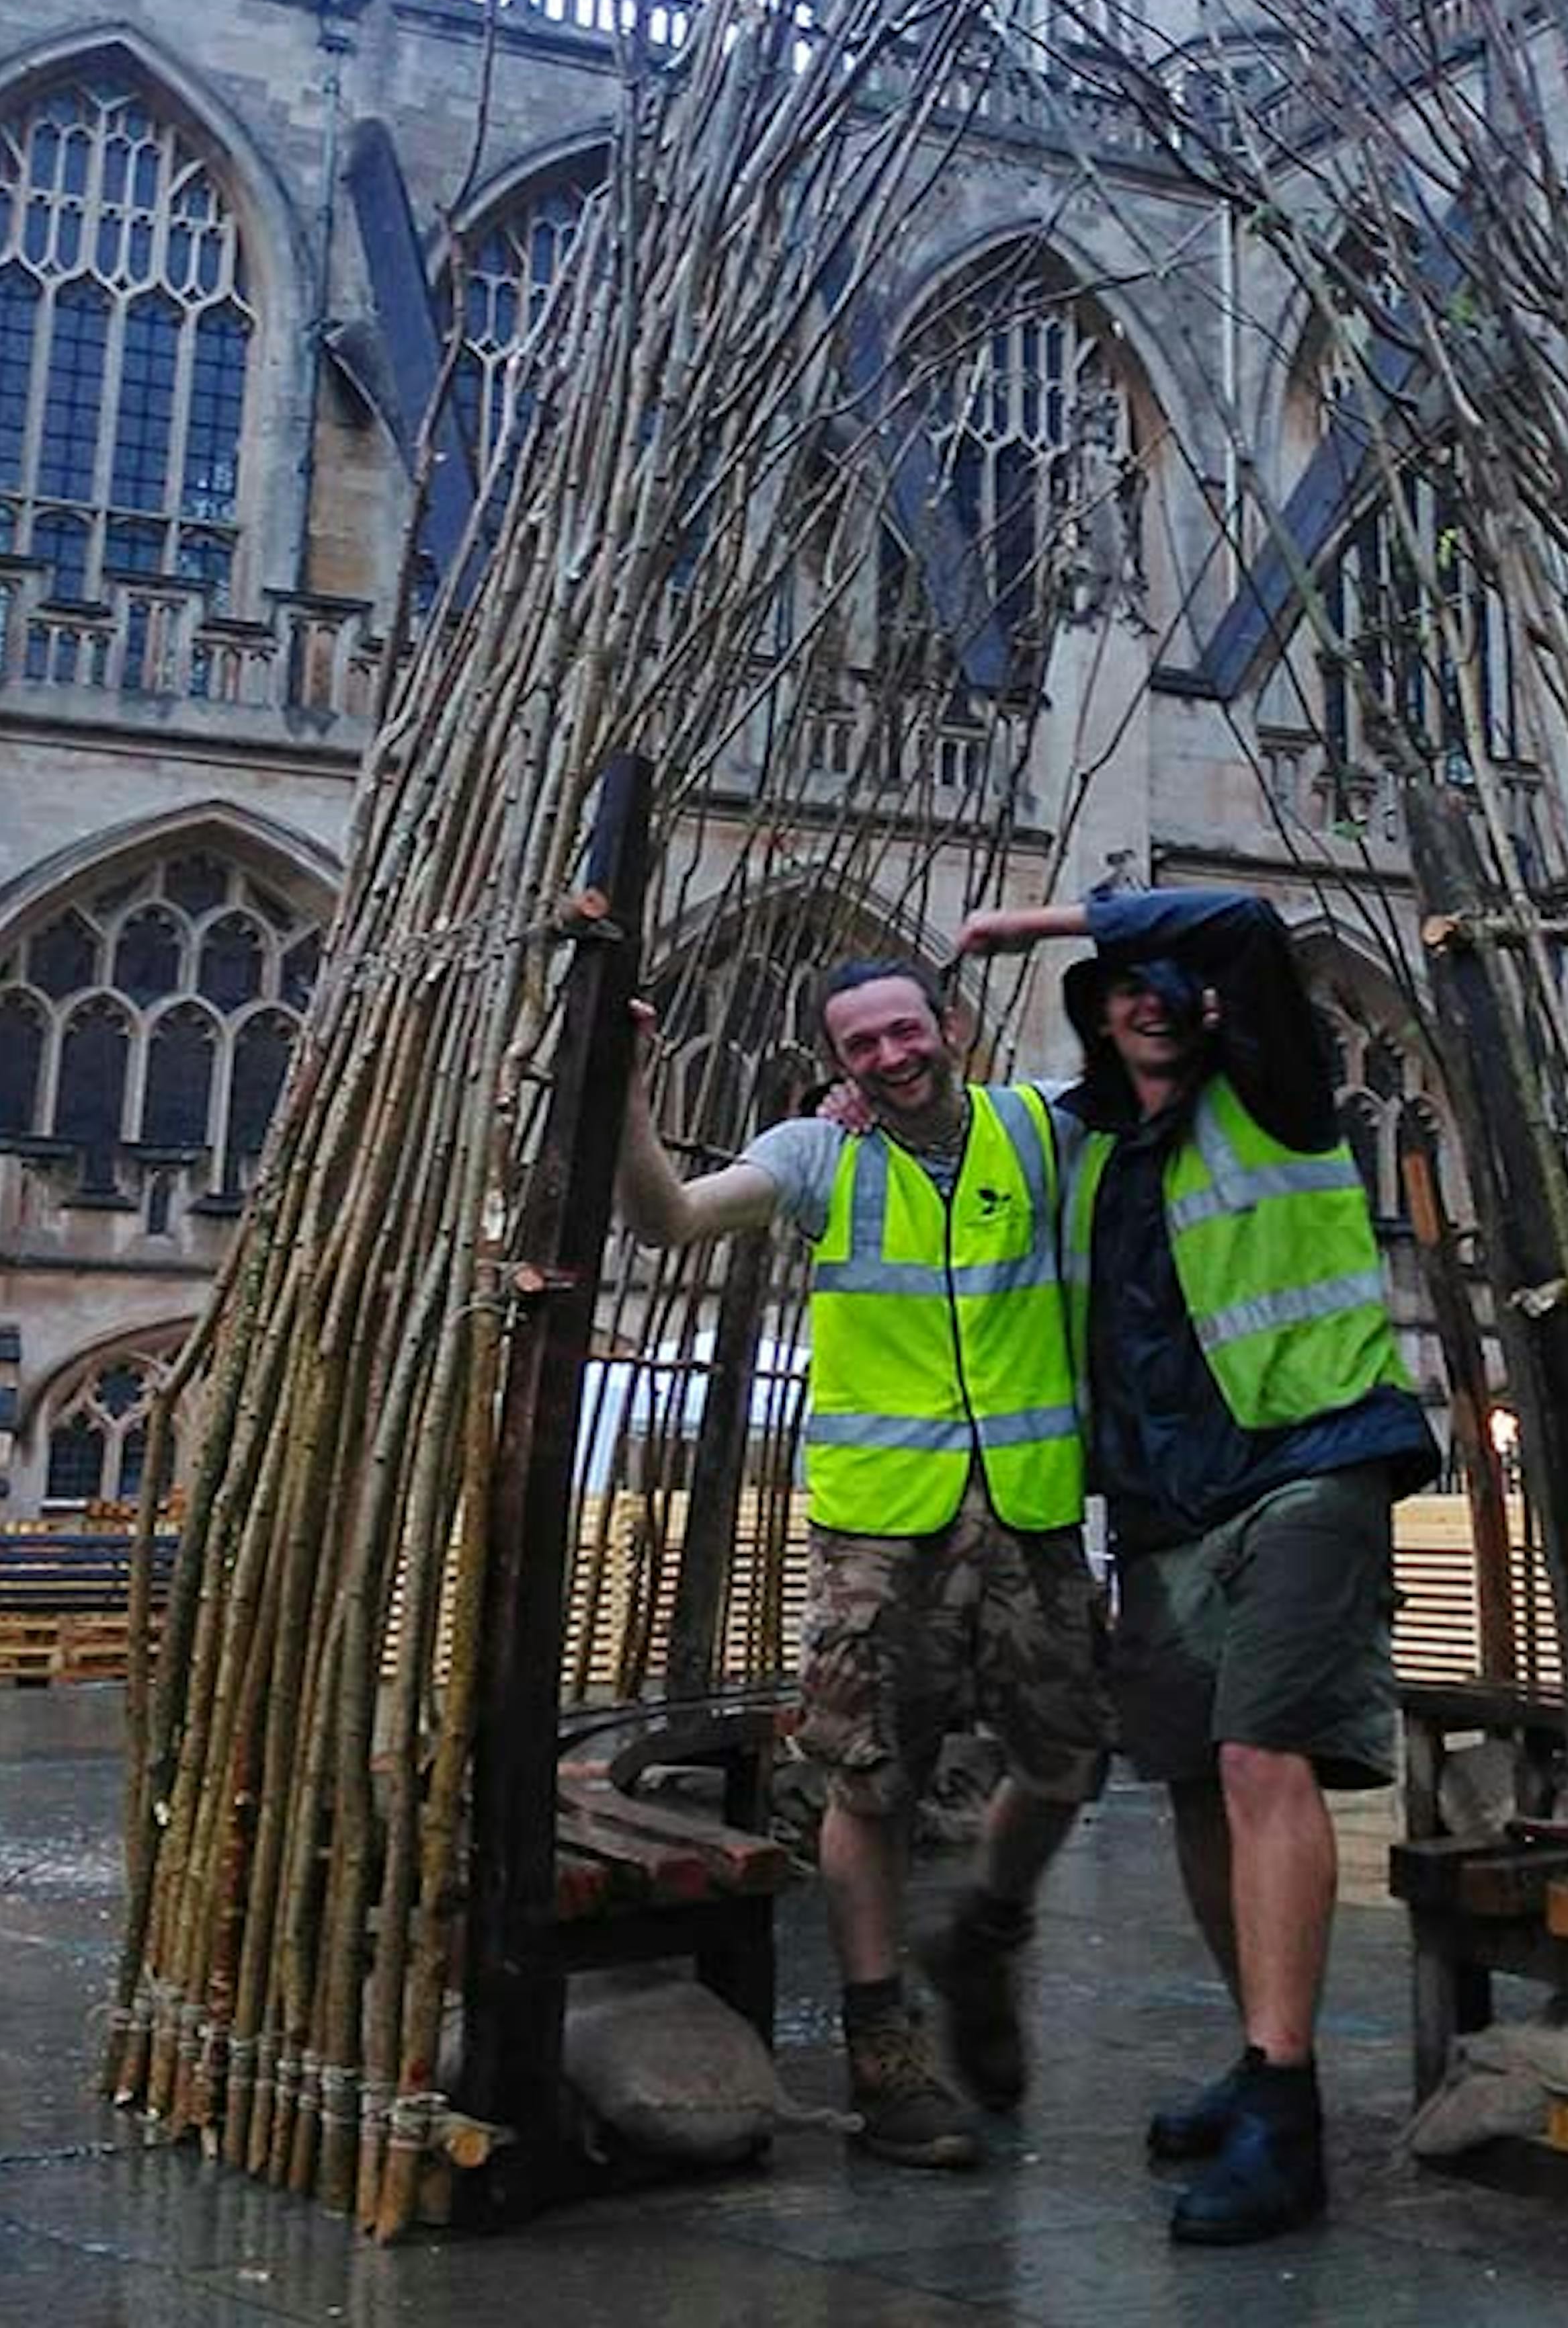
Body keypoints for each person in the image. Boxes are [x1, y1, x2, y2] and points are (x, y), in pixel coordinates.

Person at [954, 884, 1438, 2244]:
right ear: (1096, 1022)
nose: (1144, 997)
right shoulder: (1088, 1147)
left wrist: (1049, 922)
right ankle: (1258, 2046)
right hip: (1164, 1503)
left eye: (1162, 979)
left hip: (1311, 1455)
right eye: (1120, 986)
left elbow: (1244, 916)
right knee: (1189, 1781)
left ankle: (1286, 2109)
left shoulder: (1275, 1089)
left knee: (1257, 1753)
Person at [613, 956, 1108, 2171]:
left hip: (1033, 1507)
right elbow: (669, 1217)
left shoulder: (1041, 1127)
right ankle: (885, 2056)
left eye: (905, 1033)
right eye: (861, 1049)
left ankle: (984, 1932)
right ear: (837, 1067)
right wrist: (624, 1096)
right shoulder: (816, 1154)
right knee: (869, 1782)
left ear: (952, 1027)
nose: (890, 1059)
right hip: (879, 1528)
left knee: (1068, 1764)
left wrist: (1047, 922)